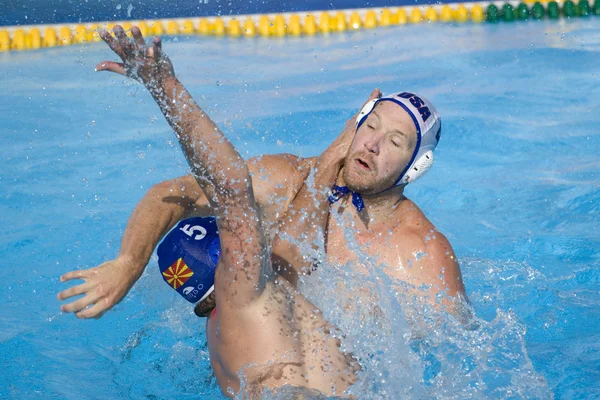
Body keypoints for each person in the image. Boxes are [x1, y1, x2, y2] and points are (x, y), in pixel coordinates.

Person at [57, 36, 467, 320]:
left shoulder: (419, 254)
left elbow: (450, 360)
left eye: (395, 141)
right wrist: (127, 264)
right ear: (355, 125)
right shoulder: (287, 177)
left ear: (416, 167)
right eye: (371, 126)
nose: (372, 145)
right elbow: (173, 194)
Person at [66, 26, 360, 398]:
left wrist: (332, 159)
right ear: (231, 258)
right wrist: (165, 87)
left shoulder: (231, 323)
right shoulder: (243, 284)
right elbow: (232, 187)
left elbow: (292, 246)